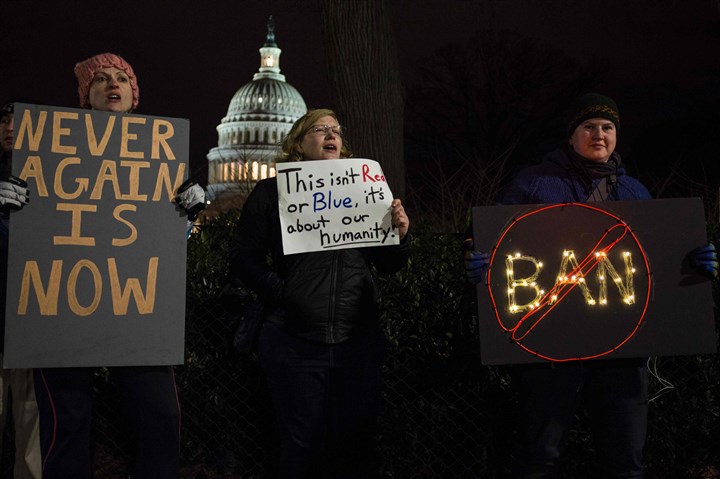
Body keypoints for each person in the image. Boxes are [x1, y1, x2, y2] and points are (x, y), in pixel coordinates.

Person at [464, 93, 717, 478]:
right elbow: (491, 237)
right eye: (589, 126)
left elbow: (658, 253)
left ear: (616, 136)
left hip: (622, 350)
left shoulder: (633, 191)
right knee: (540, 456)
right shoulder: (535, 183)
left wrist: (693, 260)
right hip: (549, 346)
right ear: (571, 135)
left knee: (625, 458)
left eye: (607, 127)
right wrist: (478, 259)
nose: (598, 134)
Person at [30, 52, 203, 479]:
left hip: (135, 307)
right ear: (85, 96)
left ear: (133, 95)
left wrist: (186, 215)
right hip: (63, 305)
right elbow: (37, 228)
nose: (112, 85)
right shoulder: (49, 151)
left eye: (122, 79)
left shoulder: (159, 159)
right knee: (67, 425)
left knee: (160, 416)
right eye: (101, 79)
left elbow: (160, 243)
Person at [230, 109, 411, 478]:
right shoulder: (271, 191)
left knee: (355, 449)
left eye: (337, 130)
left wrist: (401, 235)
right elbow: (243, 256)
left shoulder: (364, 187)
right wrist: (284, 292)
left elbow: (390, 263)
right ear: (299, 142)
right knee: (300, 447)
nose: (332, 134)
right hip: (293, 341)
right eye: (320, 129)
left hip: (356, 342)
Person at [0, 101, 40, 479]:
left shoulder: (52, 176)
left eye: (19, 120)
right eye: (5, 120)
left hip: (31, 320)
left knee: (32, 423)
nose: (12, 126)